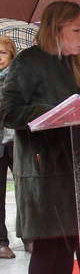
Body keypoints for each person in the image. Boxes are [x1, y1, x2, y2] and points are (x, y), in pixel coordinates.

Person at [0, 1, 80, 274]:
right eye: (77, 31)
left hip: (72, 163)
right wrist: (52, 112)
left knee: (66, 245)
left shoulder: (74, 64)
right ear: (56, 29)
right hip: (40, 166)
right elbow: (8, 110)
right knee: (48, 244)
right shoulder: (27, 62)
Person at [0, 36, 18, 259]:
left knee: (26, 190)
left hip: (16, 140)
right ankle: (1, 241)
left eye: (2, 53)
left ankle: (29, 236)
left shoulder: (17, 77)